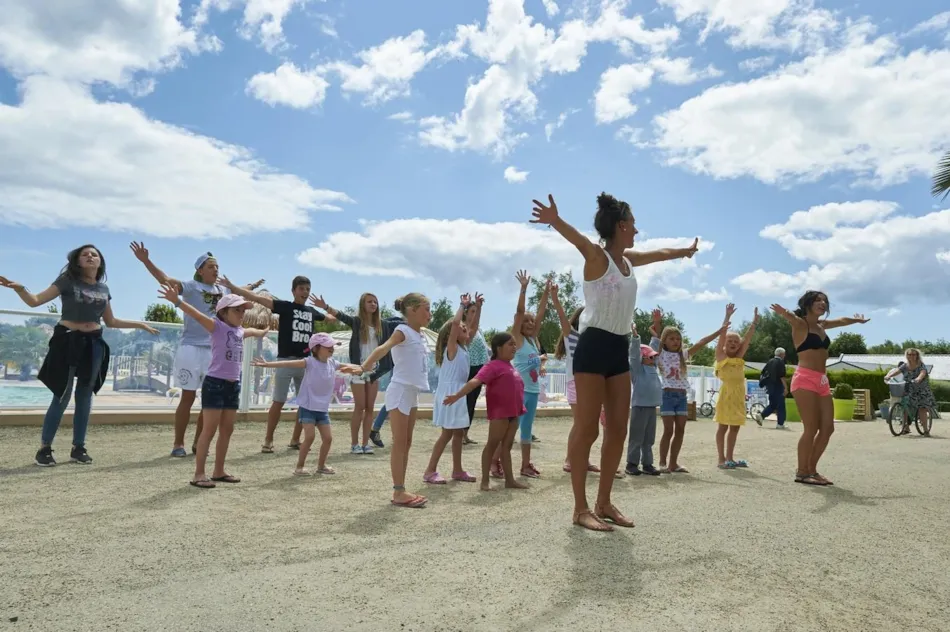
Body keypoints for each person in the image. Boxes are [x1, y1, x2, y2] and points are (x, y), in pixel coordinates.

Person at [531, 192, 699, 532]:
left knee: (618, 429)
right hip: (593, 346)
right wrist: (555, 220)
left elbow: (659, 254)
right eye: (633, 224)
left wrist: (684, 251)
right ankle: (580, 508)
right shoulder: (598, 257)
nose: (636, 230)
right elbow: (579, 241)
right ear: (621, 226)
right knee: (587, 429)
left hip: (619, 347)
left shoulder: (628, 261)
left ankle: (604, 502)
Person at [1, 245, 159, 466]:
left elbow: (111, 321)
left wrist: (140, 324)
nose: (90, 256)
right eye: (85, 254)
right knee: (62, 394)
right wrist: (20, 289)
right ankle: (44, 448)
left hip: (93, 343)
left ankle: (79, 448)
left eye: (94, 254)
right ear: (77, 261)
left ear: (100, 261)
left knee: (85, 396)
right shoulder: (67, 281)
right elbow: (35, 300)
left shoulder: (103, 288)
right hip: (67, 341)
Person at [130, 242, 262, 457]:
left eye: (217, 266)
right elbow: (165, 280)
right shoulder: (190, 287)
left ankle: (199, 443)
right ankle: (178, 444)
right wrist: (146, 261)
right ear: (200, 270)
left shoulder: (223, 291)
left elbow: (239, 291)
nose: (215, 269)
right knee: (188, 396)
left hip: (214, 351)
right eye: (211, 266)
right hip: (190, 348)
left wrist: (252, 286)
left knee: (209, 401)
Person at [157, 288, 269, 488]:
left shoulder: (241, 331)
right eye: (237, 310)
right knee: (209, 430)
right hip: (215, 384)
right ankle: (199, 474)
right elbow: (196, 314)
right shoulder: (217, 326)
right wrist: (177, 301)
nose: (242, 314)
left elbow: (252, 331)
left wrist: (263, 332)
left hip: (233, 385)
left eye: (243, 311)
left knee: (227, 429)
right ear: (223, 313)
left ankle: (219, 471)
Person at [222, 275, 333, 452]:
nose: (305, 292)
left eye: (307, 289)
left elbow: (331, 318)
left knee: (305, 404)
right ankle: (268, 440)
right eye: (301, 289)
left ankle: (295, 439)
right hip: (285, 361)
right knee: (278, 401)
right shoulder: (285, 306)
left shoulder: (312, 311)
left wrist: (325, 306)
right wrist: (233, 287)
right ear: (293, 291)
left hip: (305, 363)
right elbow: (257, 298)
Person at [771, 292, 869, 486]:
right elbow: (791, 318)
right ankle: (802, 472)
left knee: (828, 428)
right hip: (805, 378)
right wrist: (784, 312)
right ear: (808, 304)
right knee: (811, 428)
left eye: (824, 301)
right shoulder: (801, 324)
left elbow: (841, 321)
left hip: (822, 380)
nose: (822, 303)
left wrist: (856, 321)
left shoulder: (822, 325)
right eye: (817, 300)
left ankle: (811, 470)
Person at [358, 294, 432, 508]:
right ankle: (398, 491)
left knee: (406, 442)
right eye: (426, 309)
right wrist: (364, 366)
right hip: (400, 391)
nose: (430, 314)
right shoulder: (403, 330)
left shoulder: (420, 335)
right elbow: (383, 348)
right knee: (399, 442)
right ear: (412, 310)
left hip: (412, 393)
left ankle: (402, 488)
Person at [251, 334, 361, 475]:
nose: (332, 348)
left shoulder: (333, 363)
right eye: (328, 346)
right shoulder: (309, 362)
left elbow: (349, 366)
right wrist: (267, 364)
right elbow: (287, 364)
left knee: (328, 438)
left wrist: (364, 367)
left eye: (332, 346)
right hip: (308, 408)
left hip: (322, 410)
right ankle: (299, 467)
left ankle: (321, 466)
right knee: (309, 437)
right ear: (315, 348)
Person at [442, 333, 530, 492]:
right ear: (499, 348)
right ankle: (485, 481)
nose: (514, 347)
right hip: (500, 414)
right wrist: (457, 395)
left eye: (515, 344)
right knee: (492, 445)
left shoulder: (510, 366)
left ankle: (510, 480)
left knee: (506, 447)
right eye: (510, 344)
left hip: (514, 414)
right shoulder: (492, 366)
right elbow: (475, 381)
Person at [310, 293, 390, 455]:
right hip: (357, 368)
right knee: (359, 407)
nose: (373, 304)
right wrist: (325, 307)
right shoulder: (357, 322)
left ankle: (365, 444)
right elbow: (341, 316)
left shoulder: (382, 325)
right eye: (369, 301)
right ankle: (354, 444)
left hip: (373, 370)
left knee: (370, 408)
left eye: (375, 302)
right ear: (362, 304)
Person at [490, 272, 549, 479]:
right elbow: (519, 312)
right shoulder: (518, 339)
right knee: (510, 429)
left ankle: (525, 465)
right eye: (527, 322)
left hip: (532, 391)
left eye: (532, 322)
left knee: (526, 429)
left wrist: (547, 293)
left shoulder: (532, 341)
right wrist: (523, 289)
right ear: (519, 325)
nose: (531, 324)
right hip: (519, 392)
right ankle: (495, 461)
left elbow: (541, 312)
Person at [652, 308, 724, 474]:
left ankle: (673, 463)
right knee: (668, 430)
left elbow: (701, 343)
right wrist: (657, 322)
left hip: (681, 396)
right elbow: (656, 338)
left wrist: (719, 332)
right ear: (665, 341)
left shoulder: (682, 355)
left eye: (678, 339)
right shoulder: (660, 354)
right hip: (667, 395)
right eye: (671, 339)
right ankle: (662, 462)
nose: (675, 341)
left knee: (680, 430)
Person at [423, 295, 477, 484]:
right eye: (462, 328)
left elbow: (472, 324)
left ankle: (457, 470)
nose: (466, 328)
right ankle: (430, 471)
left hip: (457, 393)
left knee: (458, 433)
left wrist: (476, 307)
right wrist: (462, 305)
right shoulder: (452, 348)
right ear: (450, 336)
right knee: (447, 433)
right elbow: (455, 324)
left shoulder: (463, 348)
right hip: (450, 394)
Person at [713, 305, 758, 469]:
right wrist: (727, 317)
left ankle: (730, 458)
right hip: (726, 396)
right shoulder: (721, 356)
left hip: (738, 397)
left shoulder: (739, 357)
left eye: (736, 342)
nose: (733, 343)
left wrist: (754, 323)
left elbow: (747, 340)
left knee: (735, 427)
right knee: (723, 426)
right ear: (724, 344)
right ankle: (721, 459)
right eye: (729, 341)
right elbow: (721, 336)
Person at [366, 311, 408, 448]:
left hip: (400, 368)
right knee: (394, 401)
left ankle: (378, 429)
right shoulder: (400, 325)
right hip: (400, 368)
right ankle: (380, 430)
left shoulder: (398, 325)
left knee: (395, 401)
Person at [625, 323, 662, 476]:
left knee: (649, 438)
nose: (654, 359)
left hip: (651, 407)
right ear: (643, 358)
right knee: (637, 437)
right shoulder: (638, 369)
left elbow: (655, 347)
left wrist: (655, 336)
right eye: (651, 357)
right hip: (639, 407)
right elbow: (634, 355)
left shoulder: (653, 367)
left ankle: (647, 464)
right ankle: (631, 463)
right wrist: (635, 337)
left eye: (654, 357)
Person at [885, 349, 937, 435]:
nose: (911, 356)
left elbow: (923, 372)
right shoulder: (905, 366)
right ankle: (905, 427)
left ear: (917, 356)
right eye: (909, 354)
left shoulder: (921, 365)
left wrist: (918, 378)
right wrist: (888, 376)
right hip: (909, 389)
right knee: (905, 406)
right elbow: (897, 371)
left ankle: (925, 430)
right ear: (907, 356)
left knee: (922, 408)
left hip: (922, 390)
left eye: (913, 354)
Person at [462, 293, 488, 445]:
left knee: (472, 402)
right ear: (466, 313)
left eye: (476, 312)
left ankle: (465, 433)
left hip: (479, 369)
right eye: (472, 311)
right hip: (468, 369)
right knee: (466, 401)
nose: (474, 314)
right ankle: (460, 433)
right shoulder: (464, 329)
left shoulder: (480, 331)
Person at [757, 347, 789, 429]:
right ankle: (780, 424)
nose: (784, 355)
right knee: (781, 405)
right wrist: (786, 387)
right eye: (784, 354)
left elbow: (763, 373)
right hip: (778, 386)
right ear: (781, 354)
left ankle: (761, 415)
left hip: (770, 387)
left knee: (773, 404)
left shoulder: (770, 361)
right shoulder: (780, 362)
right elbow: (782, 376)